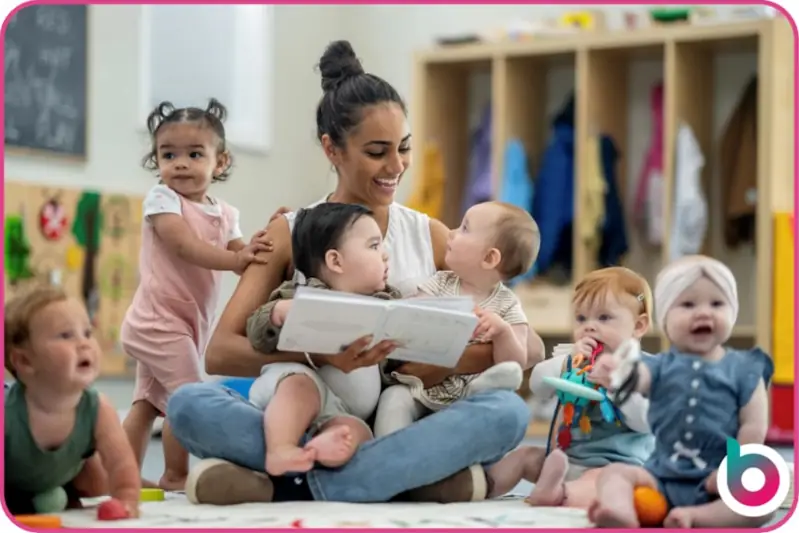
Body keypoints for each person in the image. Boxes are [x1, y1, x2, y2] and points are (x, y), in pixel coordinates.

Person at [166, 40, 544, 506]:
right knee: (188, 405)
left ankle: (296, 482)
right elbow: (220, 352)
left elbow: (526, 345)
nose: (397, 166)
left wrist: (417, 362)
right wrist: (319, 358)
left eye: (403, 148)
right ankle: (396, 480)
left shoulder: (431, 235)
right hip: (306, 410)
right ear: (333, 149)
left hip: (396, 417)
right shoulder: (290, 232)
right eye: (377, 151)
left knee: (506, 412)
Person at [120, 99, 270, 491]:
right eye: (168, 154)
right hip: (157, 322)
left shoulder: (225, 213)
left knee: (147, 404)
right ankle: (175, 474)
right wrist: (235, 261)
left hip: (184, 324)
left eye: (194, 154)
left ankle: (119, 475)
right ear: (156, 160)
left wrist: (260, 244)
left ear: (220, 162)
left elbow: (241, 253)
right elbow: (185, 246)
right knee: (188, 398)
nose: (180, 163)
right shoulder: (163, 201)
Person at [590, 256, 774, 528]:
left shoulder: (745, 369)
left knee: (763, 502)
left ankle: (696, 517)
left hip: (717, 479)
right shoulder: (659, 366)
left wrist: (733, 470)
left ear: (731, 312)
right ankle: (620, 512)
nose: (703, 313)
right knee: (613, 474)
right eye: (687, 304)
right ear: (665, 318)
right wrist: (618, 370)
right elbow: (637, 377)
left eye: (716, 304)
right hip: (660, 477)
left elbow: (753, 428)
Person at [246, 202, 400, 476]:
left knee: (357, 433)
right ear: (335, 261)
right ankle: (280, 449)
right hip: (298, 387)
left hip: (341, 411)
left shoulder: (386, 304)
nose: (385, 256)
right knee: (299, 386)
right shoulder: (302, 295)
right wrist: (276, 313)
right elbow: (257, 333)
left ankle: (315, 452)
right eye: (374, 246)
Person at [374, 200, 539, 437]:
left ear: (490, 258)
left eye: (464, 228)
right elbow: (408, 315)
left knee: (499, 398)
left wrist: (503, 333)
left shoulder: (507, 304)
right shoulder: (441, 283)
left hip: (471, 399)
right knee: (394, 398)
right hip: (423, 389)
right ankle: (388, 455)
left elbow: (515, 364)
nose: (450, 233)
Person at [521, 267, 655, 508]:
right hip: (565, 458)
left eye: (604, 318)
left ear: (638, 326)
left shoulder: (645, 370)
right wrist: (567, 361)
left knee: (600, 482)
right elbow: (538, 384)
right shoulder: (575, 358)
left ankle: (558, 494)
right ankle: (483, 485)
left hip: (613, 466)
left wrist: (616, 388)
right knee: (524, 457)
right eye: (581, 318)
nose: (589, 327)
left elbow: (646, 421)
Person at [4, 286, 140, 517]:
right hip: (10, 483)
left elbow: (121, 465)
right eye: (65, 335)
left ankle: (59, 492)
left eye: (87, 333)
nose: (84, 343)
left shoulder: (99, 409)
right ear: (25, 361)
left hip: (62, 475)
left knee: (98, 484)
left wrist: (126, 500)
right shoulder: (7, 413)